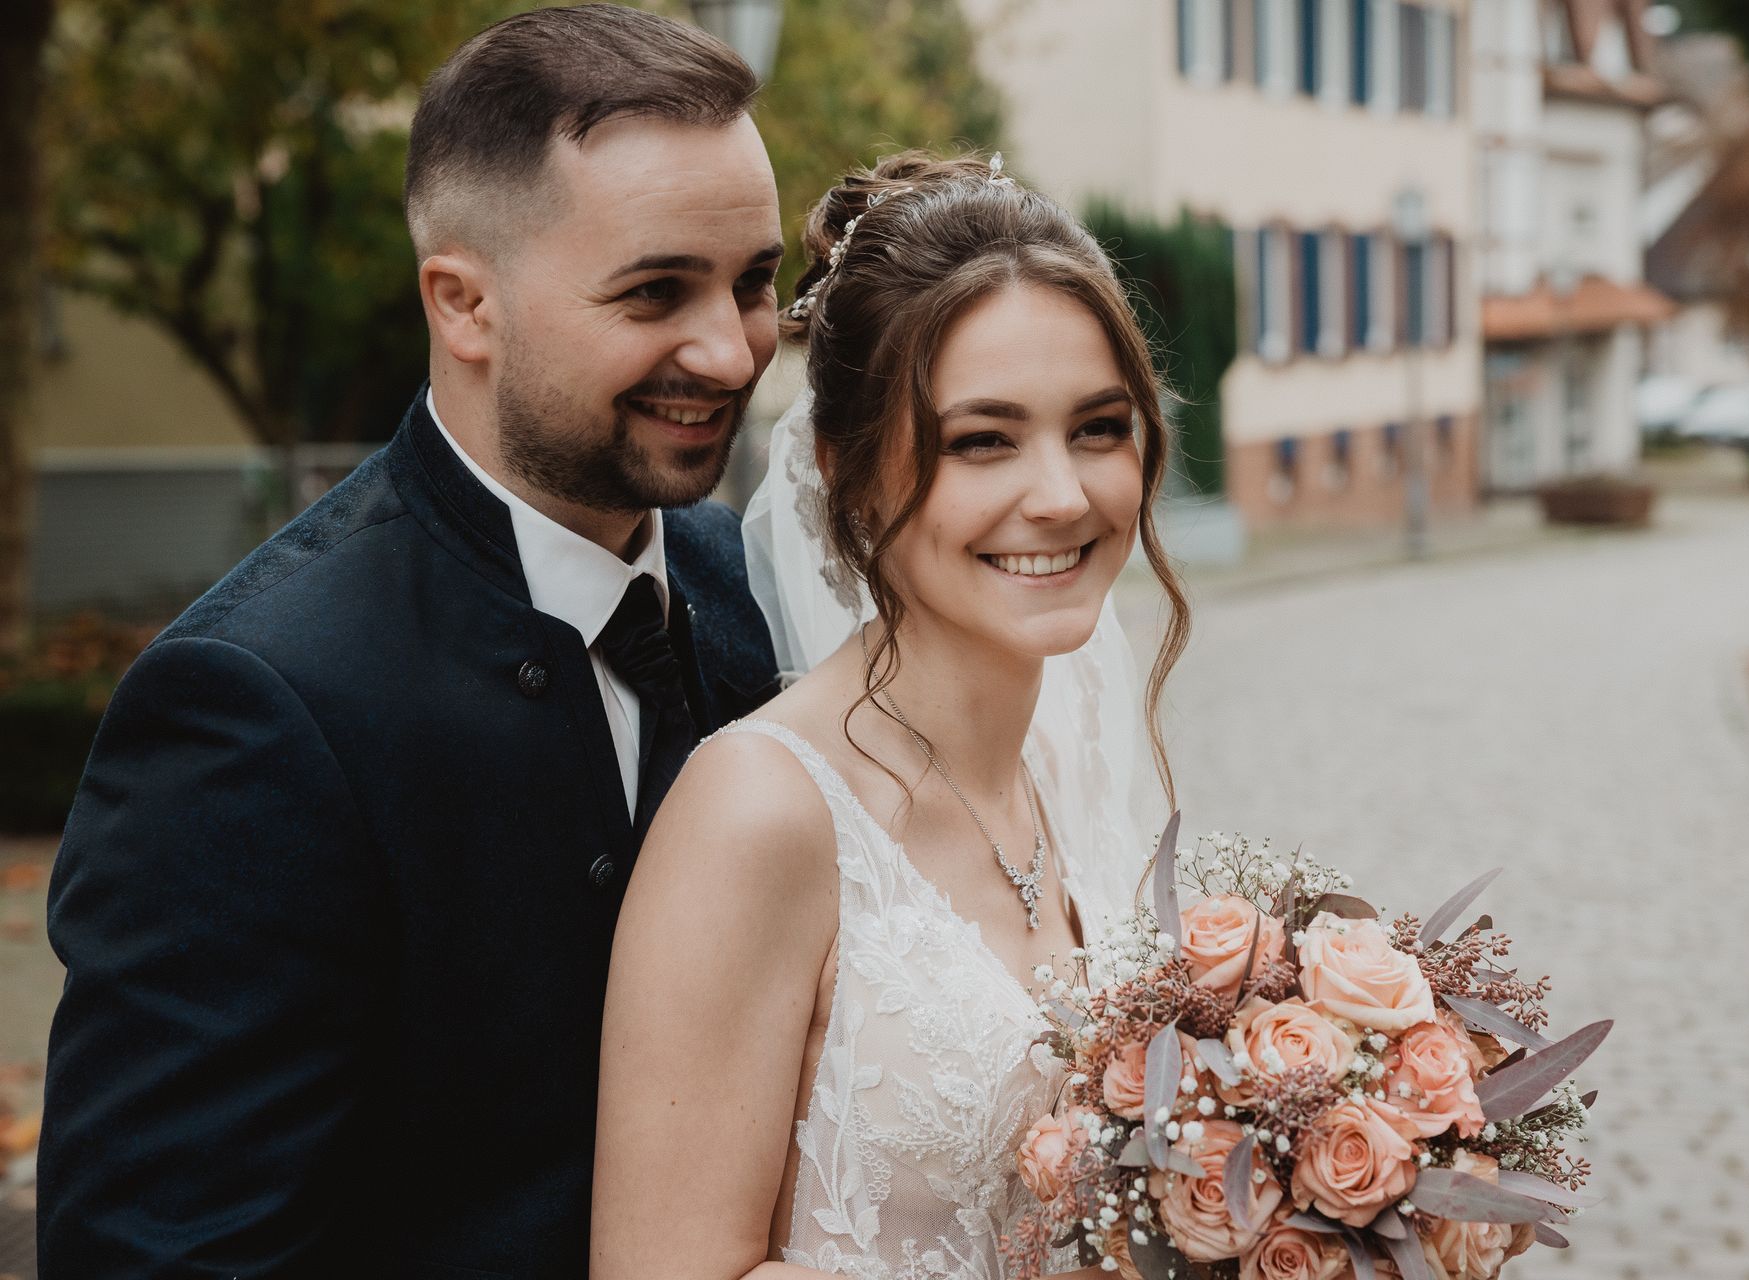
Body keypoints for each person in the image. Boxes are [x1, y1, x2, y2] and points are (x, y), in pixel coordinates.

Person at [38, 8, 782, 1274]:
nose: (731, 347)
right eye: (657, 290)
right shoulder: (250, 707)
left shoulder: (743, 582)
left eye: (755, 280)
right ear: (464, 303)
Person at [591, 152, 1192, 1279]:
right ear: (847, 471)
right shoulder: (760, 811)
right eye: (984, 440)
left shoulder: (1079, 745)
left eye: (1100, 427)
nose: (1062, 493)